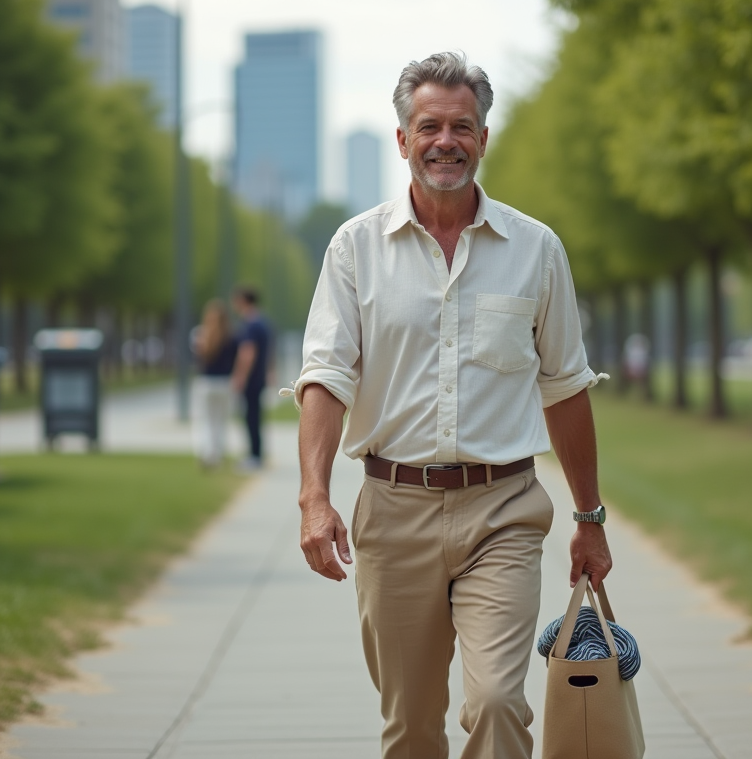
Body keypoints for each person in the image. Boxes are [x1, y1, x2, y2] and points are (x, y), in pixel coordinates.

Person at [289, 52, 614, 759]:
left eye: (461, 126)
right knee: (410, 726)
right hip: (393, 510)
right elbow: (325, 378)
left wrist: (589, 519)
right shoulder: (355, 249)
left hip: (503, 510)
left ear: (483, 138)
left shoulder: (536, 249)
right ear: (403, 139)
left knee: (498, 702)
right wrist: (314, 497)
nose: (446, 141)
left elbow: (565, 386)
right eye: (429, 126)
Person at [191, 299, 237, 469]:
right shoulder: (231, 336)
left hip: (206, 382)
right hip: (225, 382)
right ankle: (217, 453)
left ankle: (207, 452)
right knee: (220, 420)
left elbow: (198, 358)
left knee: (206, 420)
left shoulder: (201, 334)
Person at [230, 286, 271, 469]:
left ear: (243, 301)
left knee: (251, 417)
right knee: (255, 416)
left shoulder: (250, 324)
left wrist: (240, 376)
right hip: (259, 377)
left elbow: (248, 353)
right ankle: (257, 453)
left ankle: (254, 455)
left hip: (252, 379)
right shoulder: (262, 322)